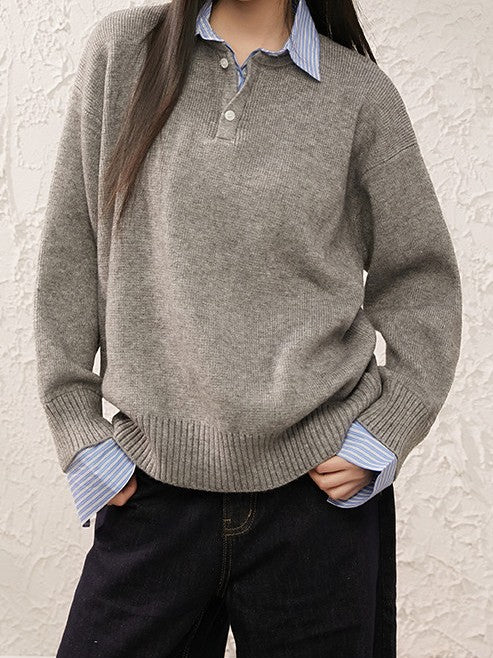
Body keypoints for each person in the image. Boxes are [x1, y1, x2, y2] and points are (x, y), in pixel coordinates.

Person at [33, 0, 462, 655]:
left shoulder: (359, 95)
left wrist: (383, 433)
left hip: (316, 504)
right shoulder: (124, 53)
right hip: (151, 489)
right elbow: (71, 246)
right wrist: (77, 427)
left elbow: (422, 281)